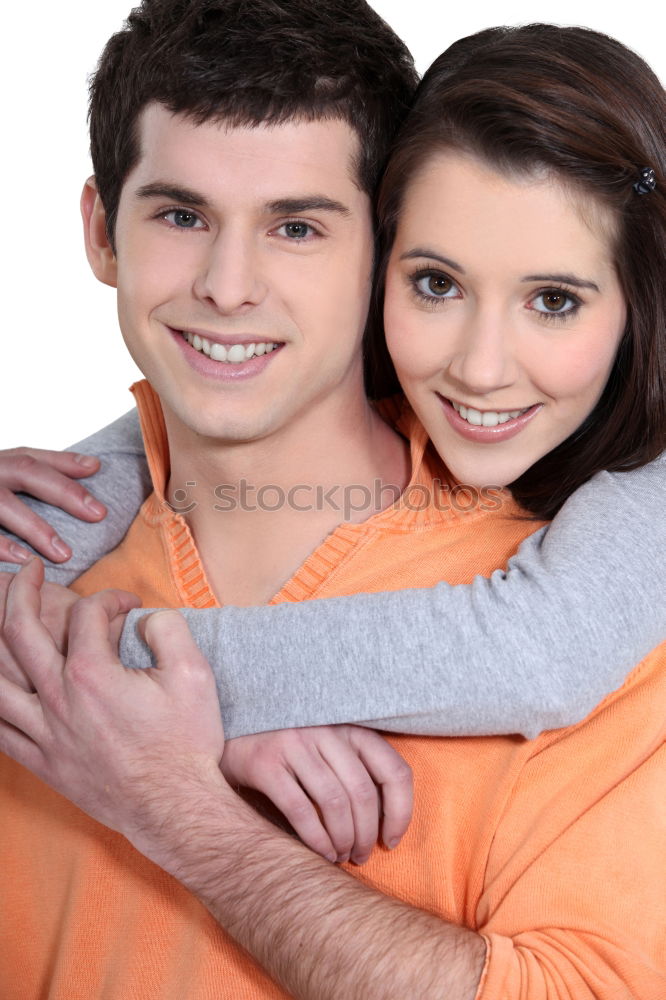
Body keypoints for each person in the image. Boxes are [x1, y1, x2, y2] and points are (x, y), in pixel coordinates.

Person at [1, 7, 665, 997]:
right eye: (181, 215)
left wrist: (183, 786)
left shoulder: (614, 614)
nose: (228, 286)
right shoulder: (40, 550)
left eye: (298, 226)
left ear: (372, 250)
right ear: (100, 231)